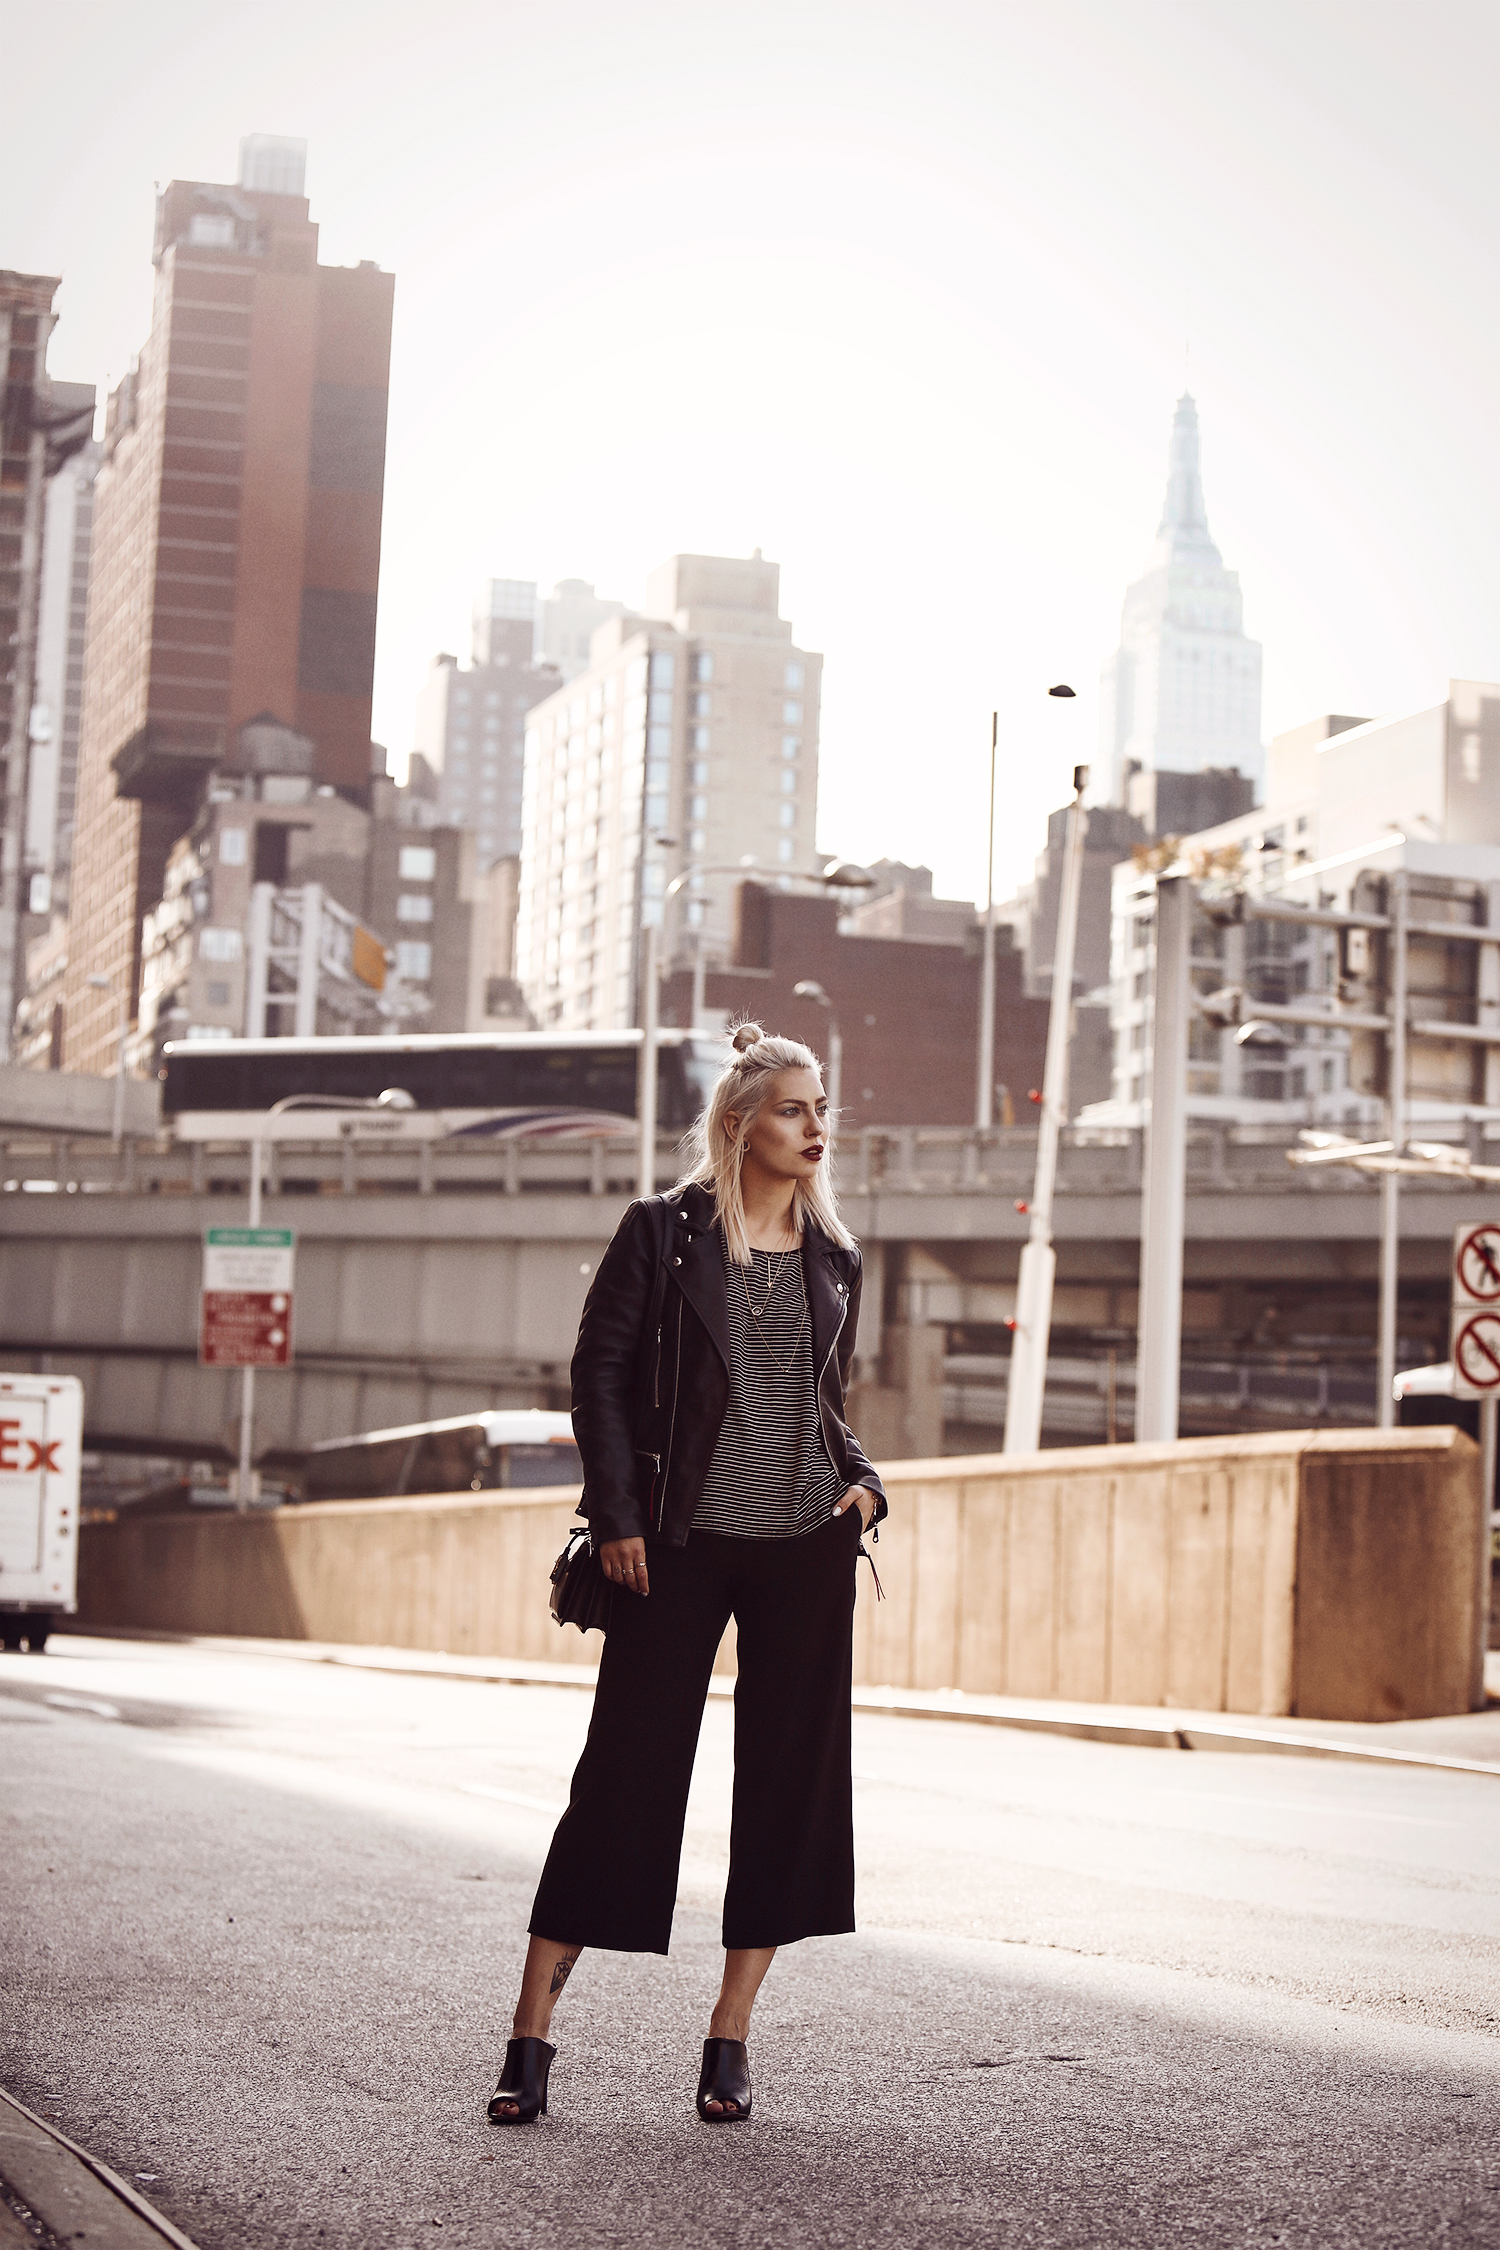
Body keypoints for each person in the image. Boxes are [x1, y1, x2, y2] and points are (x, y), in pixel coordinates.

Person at [487, 1022, 886, 2127]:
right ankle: (529, 2040)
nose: (818, 1128)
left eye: (822, 1109)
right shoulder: (661, 1236)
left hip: (805, 1545)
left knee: (788, 1791)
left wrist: (864, 1483)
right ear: (740, 1124)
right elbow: (600, 1376)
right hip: (678, 1545)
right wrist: (617, 1514)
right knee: (623, 1777)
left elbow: (816, 1402)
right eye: (795, 1110)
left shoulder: (834, 1251)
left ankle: (729, 2038)